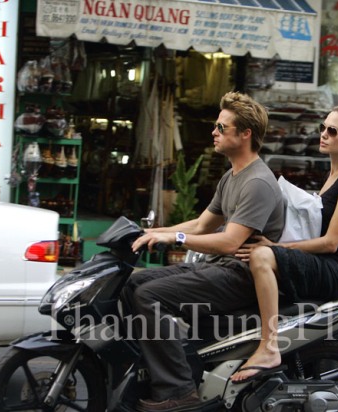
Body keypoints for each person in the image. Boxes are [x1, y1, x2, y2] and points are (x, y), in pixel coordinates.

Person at [120, 91, 285, 412]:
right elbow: (202, 224)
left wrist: (175, 238)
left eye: (222, 127)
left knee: (149, 296)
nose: (214, 132)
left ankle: (178, 390)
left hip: (240, 276)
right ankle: (152, 367)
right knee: (133, 284)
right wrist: (154, 232)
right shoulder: (232, 176)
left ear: (245, 134)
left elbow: (230, 242)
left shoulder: (258, 183)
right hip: (218, 268)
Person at [230, 104, 338, 383]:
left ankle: (269, 347)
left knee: (261, 256)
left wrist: (275, 248)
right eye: (322, 127)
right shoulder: (332, 174)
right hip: (322, 264)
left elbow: (331, 243)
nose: (324, 134)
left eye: (333, 131)